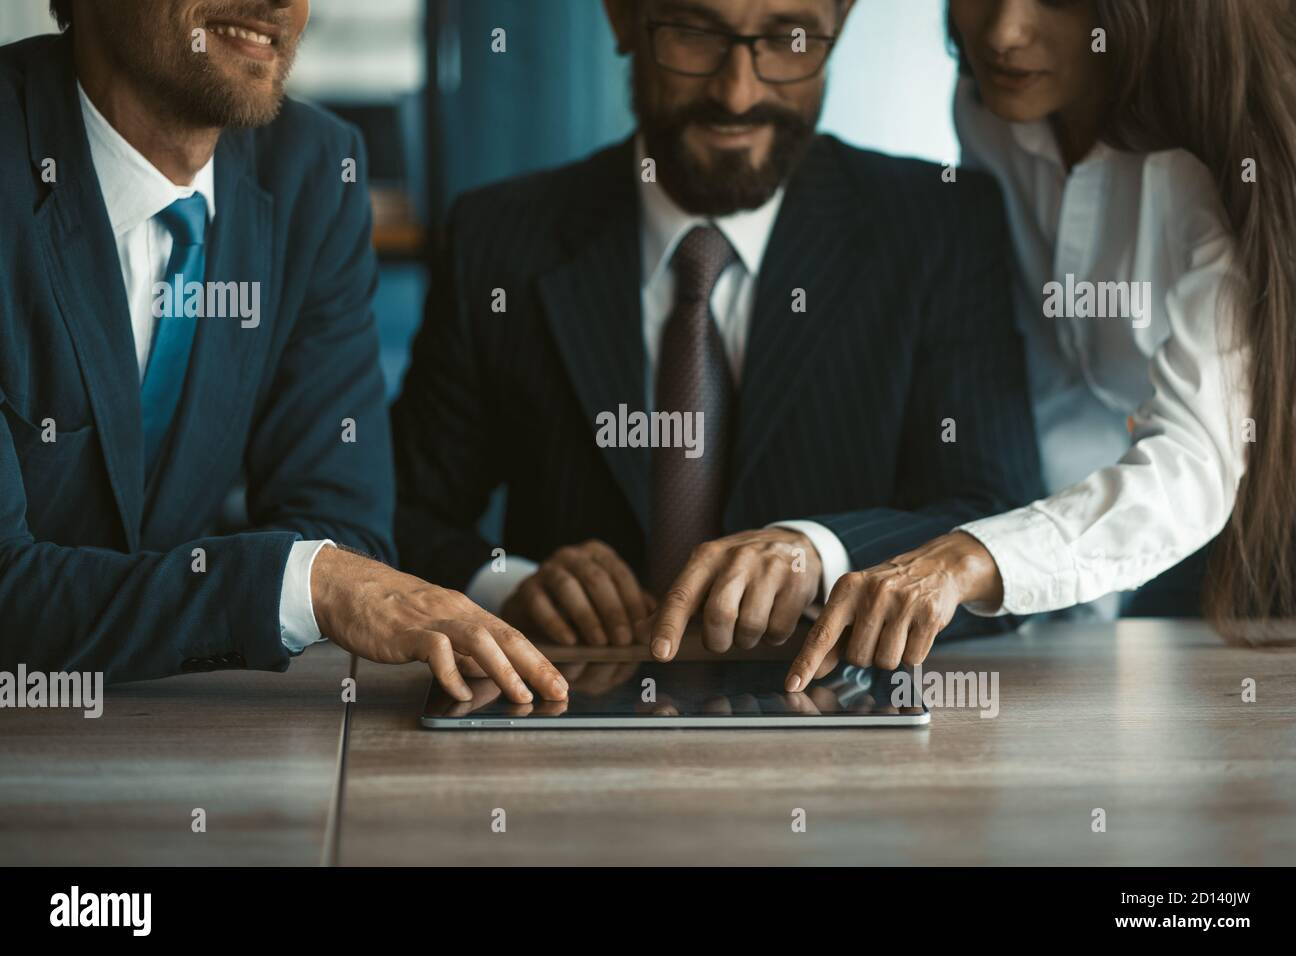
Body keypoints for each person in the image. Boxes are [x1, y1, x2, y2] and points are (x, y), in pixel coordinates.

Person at [391, 0, 1044, 665]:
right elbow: (398, 514)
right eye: (694, 33)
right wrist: (508, 586)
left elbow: (1002, 521)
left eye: (789, 38)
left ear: (840, 22)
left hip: (843, 737)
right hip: (569, 721)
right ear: (622, 19)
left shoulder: (940, 228)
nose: (738, 93)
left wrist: (817, 555)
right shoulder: (498, 240)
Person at [0, 0, 566, 703]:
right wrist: (303, 584)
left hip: (170, 734)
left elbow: (340, 528)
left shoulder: (316, 170)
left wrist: (311, 578)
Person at [786, 0, 1296, 691]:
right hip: (1084, 553)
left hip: (1257, 540)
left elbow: (1195, 460)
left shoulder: (1219, 167)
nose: (1002, 33)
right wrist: (1008, 562)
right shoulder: (987, 111)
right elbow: (1038, 373)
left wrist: (976, 558)